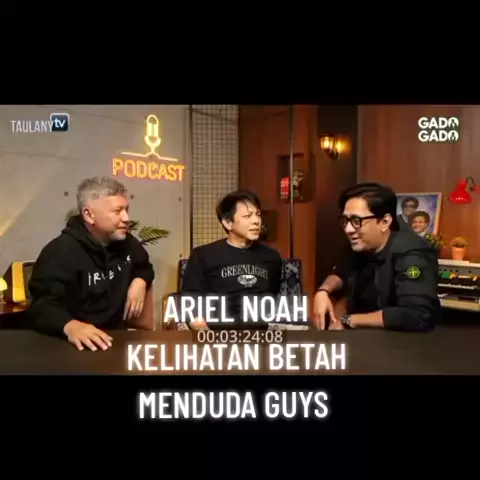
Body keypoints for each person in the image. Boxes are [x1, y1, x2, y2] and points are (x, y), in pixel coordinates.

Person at [28, 177, 155, 351]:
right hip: (76, 346)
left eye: (126, 209)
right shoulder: (60, 252)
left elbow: (145, 267)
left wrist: (140, 281)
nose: (126, 218)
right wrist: (71, 326)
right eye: (117, 211)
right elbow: (41, 307)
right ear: (89, 215)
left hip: (116, 342)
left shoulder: (128, 243)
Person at [312, 182, 440, 332]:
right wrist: (323, 291)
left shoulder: (411, 252)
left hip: (403, 340)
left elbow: (416, 315)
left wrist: (349, 320)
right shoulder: (361, 244)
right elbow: (341, 271)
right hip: (366, 337)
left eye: (356, 221)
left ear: (385, 222)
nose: (348, 229)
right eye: (346, 220)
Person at [181, 190, 283, 330]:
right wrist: (208, 336)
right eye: (247, 216)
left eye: (258, 214)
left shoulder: (271, 257)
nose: (256, 221)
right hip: (216, 336)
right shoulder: (203, 255)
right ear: (228, 223)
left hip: (259, 337)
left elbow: (272, 298)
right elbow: (191, 303)